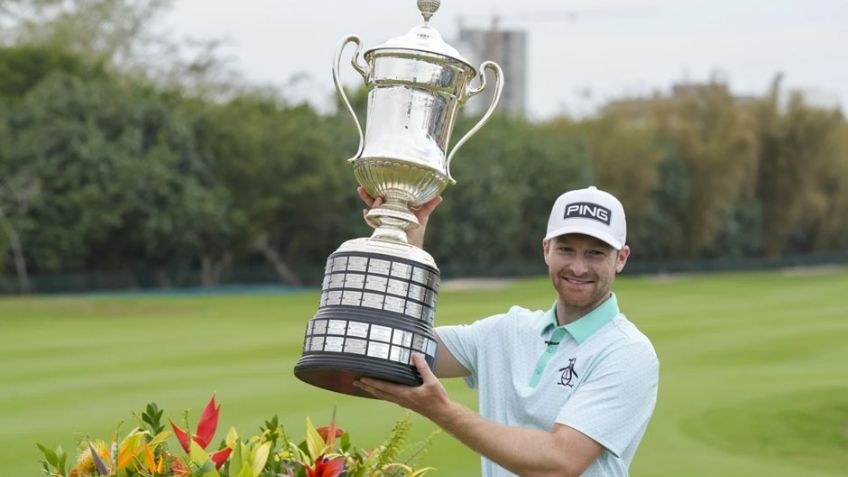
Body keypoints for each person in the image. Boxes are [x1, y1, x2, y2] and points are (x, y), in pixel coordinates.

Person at [353, 185, 659, 477]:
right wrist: (402, 242)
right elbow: (400, 348)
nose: (578, 267)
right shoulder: (507, 330)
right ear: (546, 250)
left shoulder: (628, 352)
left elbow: (560, 463)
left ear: (621, 258)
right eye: (566, 249)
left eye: (595, 253)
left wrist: (442, 410)